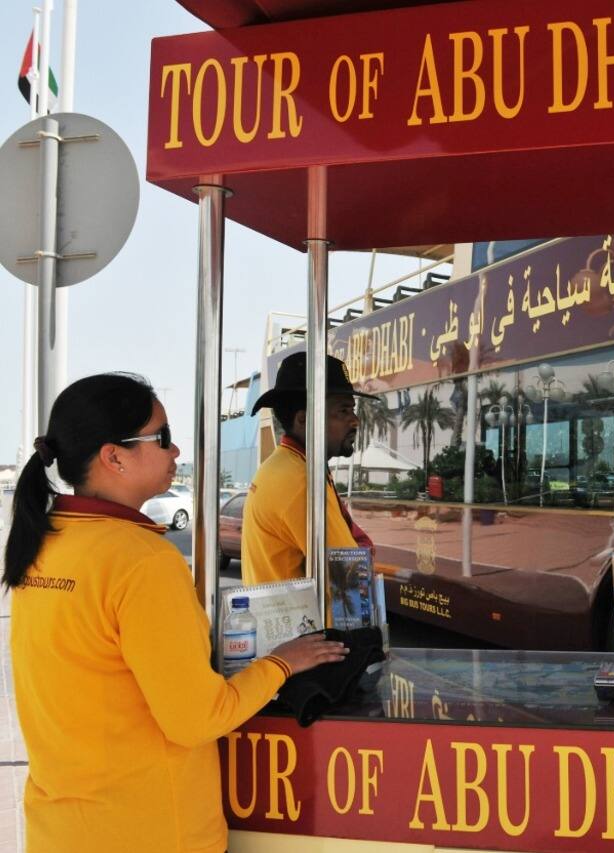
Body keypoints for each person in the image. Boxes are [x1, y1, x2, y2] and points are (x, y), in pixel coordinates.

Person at [5, 373, 348, 853]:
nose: (176, 451)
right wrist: (283, 662)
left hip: (59, 830)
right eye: (161, 438)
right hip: (150, 832)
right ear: (114, 456)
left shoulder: (45, 540)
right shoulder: (141, 561)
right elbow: (198, 719)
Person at [241, 352, 376, 586]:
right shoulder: (301, 480)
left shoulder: (283, 464)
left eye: (352, 410)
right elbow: (351, 575)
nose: (355, 420)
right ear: (304, 419)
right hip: (306, 622)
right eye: (343, 411)